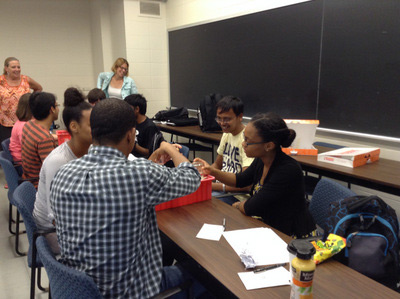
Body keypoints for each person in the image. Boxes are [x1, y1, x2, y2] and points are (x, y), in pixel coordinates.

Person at [50, 99, 204, 298]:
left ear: (93, 132)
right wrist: (170, 148)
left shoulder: (63, 173)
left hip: (80, 289)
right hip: (129, 292)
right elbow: (192, 177)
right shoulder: (138, 173)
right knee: (206, 276)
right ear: (131, 135)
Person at [202, 112, 316, 238]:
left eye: (247, 141)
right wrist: (212, 171)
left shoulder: (287, 170)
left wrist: (238, 205)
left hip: (291, 236)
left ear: (268, 145)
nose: (243, 144)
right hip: (267, 225)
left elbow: (250, 207)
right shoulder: (262, 159)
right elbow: (239, 180)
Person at [33, 88, 92, 253]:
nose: (98, 128)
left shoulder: (91, 148)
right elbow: (56, 218)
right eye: (92, 124)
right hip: (53, 231)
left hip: (75, 217)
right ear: (74, 126)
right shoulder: (58, 161)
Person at [194, 95, 254, 204]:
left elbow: (246, 185)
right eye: (219, 118)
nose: (222, 123)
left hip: (237, 196)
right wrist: (204, 176)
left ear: (240, 117)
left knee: (201, 203)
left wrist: (214, 186)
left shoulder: (247, 140)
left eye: (227, 119)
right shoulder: (227, 134)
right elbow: (217, 164)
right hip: (222, 189)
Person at [21, 92, 59, 188]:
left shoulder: (29, 124)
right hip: (38, 185)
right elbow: (53, 171)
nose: (58, 109)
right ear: (52, 110)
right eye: (57, 105)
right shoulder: (44, 139)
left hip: (27, 178)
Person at [0, 57, 42, 143]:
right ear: (6, 68)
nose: (17, 69)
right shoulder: (1, 81)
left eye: (18, 67)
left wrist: (31, 101)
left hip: (24, 122)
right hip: (5, 123)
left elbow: (38, 88)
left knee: (25, 147)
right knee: (7, 148)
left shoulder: (26, 80)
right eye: (13, 67)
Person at [125, 93, 164, 158]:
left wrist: (132, 144)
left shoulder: (150, 127)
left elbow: (149, 152)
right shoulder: (132, 122)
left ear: (137, 109)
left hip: (142, 160)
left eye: (128, 108)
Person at [9, 93, 32, 165]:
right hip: (22, 163)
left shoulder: (21, 122)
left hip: (22, 158)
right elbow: (29, 150)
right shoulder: (24, 126)